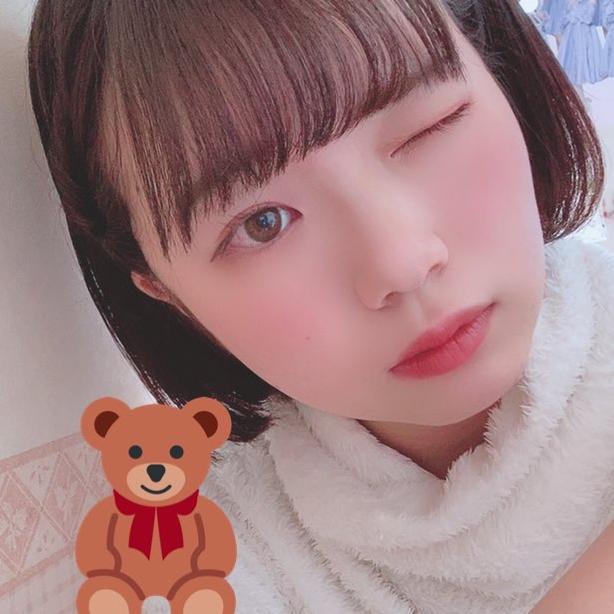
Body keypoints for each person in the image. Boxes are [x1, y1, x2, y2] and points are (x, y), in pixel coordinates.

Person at [26, 1, 614, 612]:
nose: (401, 263)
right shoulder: (200, 564)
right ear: (168, 295)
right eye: (262, 223)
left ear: (501, 74)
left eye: (427, 128)